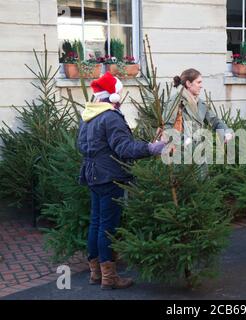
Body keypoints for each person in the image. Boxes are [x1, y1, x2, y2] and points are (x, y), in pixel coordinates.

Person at [78, 71, 166, 289]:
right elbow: (124, 148)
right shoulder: (111, 117)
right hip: (110, 178)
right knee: (107, 226)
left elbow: (80, 146)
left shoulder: (88, 116)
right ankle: (109, 278)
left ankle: (96, 273)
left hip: (92, 175)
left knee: (96, 221)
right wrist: (151, 148)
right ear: (114, 96)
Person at [163, 68, 234, 174]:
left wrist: (226, 131)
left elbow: (215, 121)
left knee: (203, 185)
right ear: (188, 83)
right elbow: (166, 126)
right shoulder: (176, 102)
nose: (201, 86)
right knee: (186, 187)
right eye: (198, 82)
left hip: (199, 153)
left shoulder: (200, 103)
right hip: (182, 156)